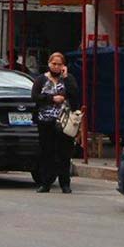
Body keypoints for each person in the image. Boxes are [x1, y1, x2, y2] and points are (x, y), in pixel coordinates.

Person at [31, 52, 81, 194]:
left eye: (59, 64)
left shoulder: (68, 79)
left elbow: (74, 94)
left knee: (64, 153)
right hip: (45, 121)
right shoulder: (41, 80)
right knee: (47, 152)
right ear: (49, 64)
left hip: (64, 122)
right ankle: (46, 183)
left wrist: (65, 78)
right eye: (54, 64)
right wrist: (52, 99)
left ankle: (65, 183)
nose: (57, 67)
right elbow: (35, 96)